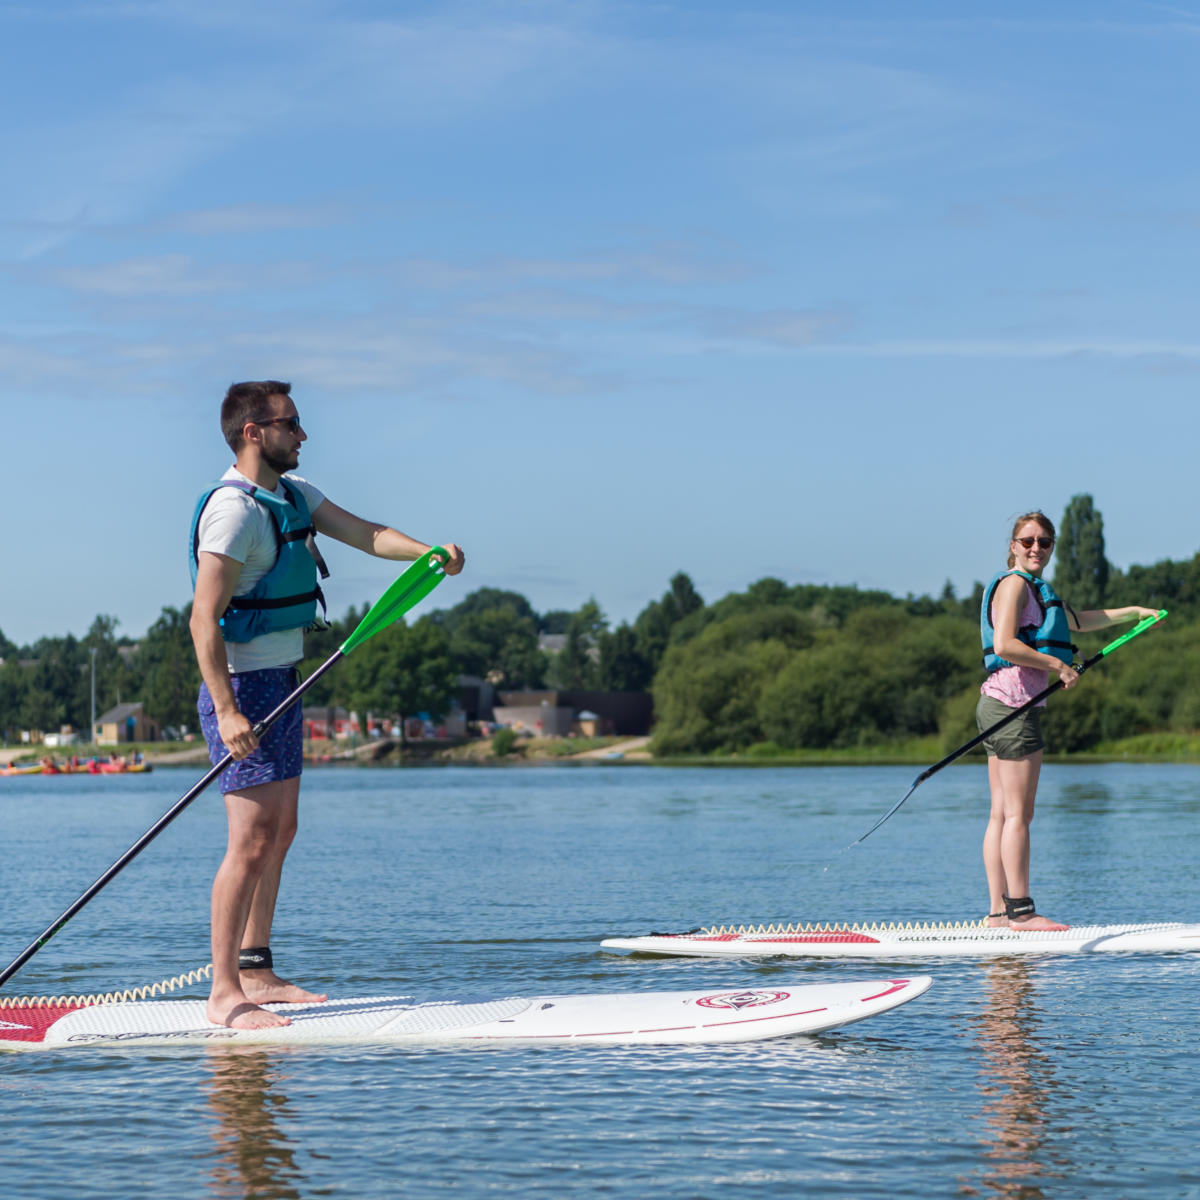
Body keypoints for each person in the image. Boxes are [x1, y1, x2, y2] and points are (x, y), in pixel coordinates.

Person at [190, 381, 464, 1030]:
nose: (302, 434)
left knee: (280, 832)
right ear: (254, 432)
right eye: (290, 423)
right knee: (248, 841)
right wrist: (227, 712)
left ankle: (256, 968)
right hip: (243, 690)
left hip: (283, 682)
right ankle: (224, 993)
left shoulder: (295, 494)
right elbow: (203, 620)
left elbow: (367, 534)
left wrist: (427, 553)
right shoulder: (232, 513)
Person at [978, 511, 1155, 930]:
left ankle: (999, 914)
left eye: (1044, 541)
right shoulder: (1015, 585)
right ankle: (1021, 913)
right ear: (1013, 546)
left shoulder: (1035, 590)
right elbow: (1004, 644)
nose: (1036, 548)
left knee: (1002, 814)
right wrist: (1059, 666)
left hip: (997, 704)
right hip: (1014, 707)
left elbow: (1078, 621)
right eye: (1027, 541)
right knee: (1017, 815)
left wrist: (1134, 612)